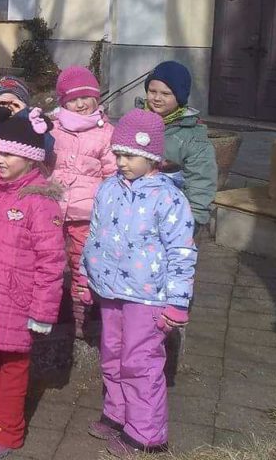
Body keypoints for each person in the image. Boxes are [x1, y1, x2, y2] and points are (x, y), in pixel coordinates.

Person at [77, 108, 196, 456]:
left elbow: (182, 252)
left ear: (152, 157)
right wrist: (87, 275)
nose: (122, 162)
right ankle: (118, 413)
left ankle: (146, 434)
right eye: (118, 154)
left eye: (130, 156)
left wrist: (177, 302)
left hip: (148, 296)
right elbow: (94, 236)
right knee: (112, 354)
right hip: (110, 290)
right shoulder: (108, 189)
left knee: (140, 362)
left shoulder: (169, 198)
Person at [0, 110, 65, 459]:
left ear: (31, 157)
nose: (0, 159)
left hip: (17, 301)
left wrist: (43, 312)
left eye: (9, 154)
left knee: (11, 369)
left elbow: (51, 262)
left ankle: (7, 430)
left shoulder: (40, 201)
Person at [49, 66, 116, 338]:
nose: (80, 104)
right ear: (63, 102)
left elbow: (111, 173)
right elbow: (42, 163)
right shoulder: (53, 128)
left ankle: (81, 315)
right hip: (53, 208)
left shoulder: (106, 133)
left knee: (81, 264)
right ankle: (50, 311)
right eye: (73, 99)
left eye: (86, 97)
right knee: (50, 261)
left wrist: (108, 207)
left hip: (85, 214)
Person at [142, 61, 217, 237]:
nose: (157, 98)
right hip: (136, 210)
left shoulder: (192, 136)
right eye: (152, 91)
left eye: (166, 93)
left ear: (180, 96)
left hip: (172, 214)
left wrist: (195, 218)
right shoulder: (136, 121)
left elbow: (201, 178)